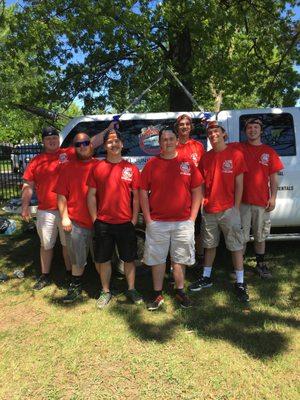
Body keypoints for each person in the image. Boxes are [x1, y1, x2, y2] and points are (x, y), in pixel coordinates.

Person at [21, 123, 114, 290]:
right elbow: (28, 185)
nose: (52, 141)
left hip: (68, 210)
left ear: (59, 139)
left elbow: (91, 141)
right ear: (43, 142)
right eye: (48, 139)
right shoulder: (36, 161)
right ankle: (45, 275)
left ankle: (70, 274)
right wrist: (25, 206)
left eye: (54, 138)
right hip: (47, 210)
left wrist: (109, 129)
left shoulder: (68, 153)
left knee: (67, 246)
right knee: (46, 244)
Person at [140, 126, 203, 310]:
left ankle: (180, 290)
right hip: (157, 222)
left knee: (180, 259)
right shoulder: (152, 164)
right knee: (158, 259)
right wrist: (148, 218)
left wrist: (192, 218)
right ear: (159, 143)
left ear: (177, 141)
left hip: (183, 222)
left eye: (170, 138)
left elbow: (197, 190)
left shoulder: (187, 163)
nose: (167, 142)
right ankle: (157, 294)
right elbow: (143, 192)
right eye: (164, 139)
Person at [189, 121, 250, 303]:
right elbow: (200, 184)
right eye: (210, 132)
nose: (213, 134)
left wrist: (236, 207)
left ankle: (240, 282)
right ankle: (206, 277)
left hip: (229, 209)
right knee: (209, 245)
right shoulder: (206, 158)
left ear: (224, 135)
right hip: (209, 209)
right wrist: (201, 205)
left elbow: (240, 183)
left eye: (217, 131)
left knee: (236, 246)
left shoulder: (236, 154)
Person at [87, 128, 143, 309]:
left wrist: (134, 218)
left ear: (122, 144)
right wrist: (96, 219)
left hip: (125, 222)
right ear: (105, 146)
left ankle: (132, 289)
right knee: (103, 259)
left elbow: (136, 196)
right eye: (110, 141)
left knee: (129, 259)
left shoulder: (131, 168)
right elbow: (91, 196)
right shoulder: (97, 167)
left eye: (117, 141)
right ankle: (105, 291)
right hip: (103, 223)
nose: (114, 144)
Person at [238, 118, 284, 278]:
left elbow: (274, 178)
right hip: (241, 201)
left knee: (260, 235)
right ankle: (239, 267)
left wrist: (273, 198)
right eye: (249, 128)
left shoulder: (269, 152)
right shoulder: (238, 148)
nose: (252, 130)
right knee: (241, 236)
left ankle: (260, 264)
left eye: (256, 127)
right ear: (245, 131)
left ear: (261, 130)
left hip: (261, 201)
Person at [54, 133, 98, 302]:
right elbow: (61, 196)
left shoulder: (100, 165)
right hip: (76, 221)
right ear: (74, 147)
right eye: (78, 144)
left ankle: (105, 288)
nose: (82, 146)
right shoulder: (67, 168)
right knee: (77, 259)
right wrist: (64, 217)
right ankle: (76, 287)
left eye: (86, 142)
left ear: (91, 145)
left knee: (101, 258)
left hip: (99, 221)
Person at [175, 114, 205, 267]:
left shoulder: (198, 146)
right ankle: (178, 260)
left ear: (191, 127)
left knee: (197, 227)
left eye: (187, 124)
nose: (184, 126)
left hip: (195, 193)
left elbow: (204, 171)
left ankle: (199, 257)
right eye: (181, 124)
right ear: (177, 127)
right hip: (177, 195)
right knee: (177, 228)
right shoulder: (172, 145)